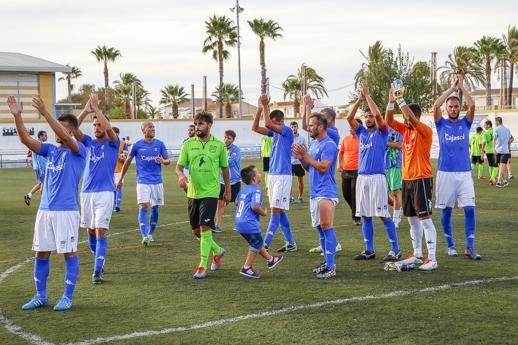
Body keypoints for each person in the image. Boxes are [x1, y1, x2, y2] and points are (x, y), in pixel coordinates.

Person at [8, 96, 86, 311]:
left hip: (66, 211)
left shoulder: (79, 150)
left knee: (69, 253)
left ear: (71, 131)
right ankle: (40, 295)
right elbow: (26, 140)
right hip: (45, 210)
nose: (56, 131)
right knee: (41, 253)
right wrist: (17, 116)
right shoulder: (50, 150)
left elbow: (63, 136)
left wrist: (45, 112)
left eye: (61, 128)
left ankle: (67, 297)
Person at [385, 81, 438, 271]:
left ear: (416, 116)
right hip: (407, 179)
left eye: (408, 117)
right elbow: (389, 122)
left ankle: (432, 258)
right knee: (412, 220)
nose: (405, 121)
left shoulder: (423, 130)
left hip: (421, 179)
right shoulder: (405, 130)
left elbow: (411, 120)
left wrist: (400, 98)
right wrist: (391, 102)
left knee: (425, 219)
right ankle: (417, 254)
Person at [347, 81, 400, 262]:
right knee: (365, 215)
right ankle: (369, 249)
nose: (369, 118)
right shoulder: (361, 131)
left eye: (370, 116)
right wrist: (359, 99)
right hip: (362, 178)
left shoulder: (382, 132)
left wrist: (367, 96)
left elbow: (379, 115)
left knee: (383, 214)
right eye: (366, 116)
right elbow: (349, 118)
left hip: (377, 177)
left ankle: (395, 249)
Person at [432, 75, 481, 260]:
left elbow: (473, 106)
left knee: (470, 208)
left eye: (456, 106)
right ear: (447, 108)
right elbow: (435, 106)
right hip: (445, 173)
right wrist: (452, 90)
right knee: (446, 210)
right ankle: (450, 244)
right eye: (450, 107)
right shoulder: (441, 123)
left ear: (459, 108)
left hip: (464, 173)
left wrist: (462, 88)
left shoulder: (465, 123)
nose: (453, 109)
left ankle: (470, 247)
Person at [176, 112, 228, 279]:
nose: (197, 127)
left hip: (211, 192)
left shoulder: (219, 145)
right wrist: (181, 176)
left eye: (200, 124)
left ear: (209, 126)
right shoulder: (188, 145)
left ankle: (202, 266)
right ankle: (218, 251)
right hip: (193, 192)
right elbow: (179, 166)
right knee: (196, 232)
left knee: (205, 228)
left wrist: (228, 189)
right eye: (196, 124)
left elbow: (225, 169)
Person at [74, 94, 120, 284]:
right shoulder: (88, 143)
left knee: (101, 230)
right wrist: (86, 110)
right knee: (90, 231)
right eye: (94, 125)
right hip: (86, 192)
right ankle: (98, 259)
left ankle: (97, 271)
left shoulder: (113, 143)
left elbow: (109, 128)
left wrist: (98, 109)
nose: (97, 127)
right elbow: (70, 129)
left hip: (105, 192)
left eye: (99, 124)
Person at [293, 113, 339, 279]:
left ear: (321, 127)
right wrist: (301, 158)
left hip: (326, 191)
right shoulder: (313, 144)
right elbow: (309, 168)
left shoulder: (329, 145)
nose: (309, 127)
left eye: (311, 125)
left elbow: (323, 167)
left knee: (327, 226)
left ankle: (331, 267)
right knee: (320, 228)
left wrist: (306, 155)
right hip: (315, 192)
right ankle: (327, 263)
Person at [252, 95, 297, 253]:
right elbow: (256, 128)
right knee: (279, 210)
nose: (270, 127)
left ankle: (265, 244)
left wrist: (265, 105)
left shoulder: (286, 131)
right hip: (272, 175)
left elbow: (267, 123)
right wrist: (259, 109)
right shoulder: (275, 133)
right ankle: (291, 243)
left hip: (283, 175)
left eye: (273, 124)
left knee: (275, 210)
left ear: (279, 122)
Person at [117, 121, 170, 245]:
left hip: (157, 181)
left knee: (155, 208)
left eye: (153, 127)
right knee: (143, 206)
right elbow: (128, 162)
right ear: (143, 130)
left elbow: (168, 161)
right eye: (150, 127)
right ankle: (144, 235)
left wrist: (163, 160)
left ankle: (150, 234)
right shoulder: (137, 145)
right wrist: (120, 179)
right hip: (142, 181)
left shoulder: (160, 144)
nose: (153, 129)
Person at [234, 165, 283, 278]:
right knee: (256, 243)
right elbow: (255, 206)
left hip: (239, 222)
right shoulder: (256, 190)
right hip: (249, 223)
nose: (260, 174)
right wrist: (264, 212)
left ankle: (271, 260)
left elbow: (236, 202)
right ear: (254, 179)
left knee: (257, 242)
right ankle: (247, 267)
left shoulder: (243, 189)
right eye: (258, 173)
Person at [214, 129, 241, 233]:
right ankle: (217, 225)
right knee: (220, 203)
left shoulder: (236, 150)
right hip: (221, 181)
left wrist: (220, 159)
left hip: (234, 181)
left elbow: (231, 162)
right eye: (225, 137)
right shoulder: (220, 148)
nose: (226, 140)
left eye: (229, 138)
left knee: (237, 203)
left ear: (233, 140)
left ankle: (239, 224)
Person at [338, 119, 362, 226]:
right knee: (345, 194)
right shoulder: (345, 139)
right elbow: (341, 152)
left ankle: (356, 218)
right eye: (350, 126)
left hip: (358, 171)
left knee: (354, 195)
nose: (351, 128)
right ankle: (356, 210)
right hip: (346, 170)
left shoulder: (362, 139)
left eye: (353, 126)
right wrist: (339, 165)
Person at [385, 127, 403, 228]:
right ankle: (398, 208)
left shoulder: (397, 131)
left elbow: (399, 144)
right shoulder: (378, 131)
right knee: (383, 195)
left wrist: (385, 142)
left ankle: (395, 220)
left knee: (396, 192)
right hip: (382, 165)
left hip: (395, 165)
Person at [24, 130, 48, 206]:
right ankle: (44, 201)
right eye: (44, 135)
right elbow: (40, 159)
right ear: (40, 136)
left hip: (38, 167)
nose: (46, 137)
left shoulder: (36, 144)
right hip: (41, 168)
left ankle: (29, 195)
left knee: (40, 183)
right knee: (44, 183)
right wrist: (41, 170)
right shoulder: (40, 145)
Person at [493, 116, 513, 187]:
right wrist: (506, 144)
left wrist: (493, 148)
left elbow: (494, 139)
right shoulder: (508, 129)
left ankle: (499, 181)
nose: (495, 123)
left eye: (495, 122)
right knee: (501, 166)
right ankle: (503, 181)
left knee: (500, 166)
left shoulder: (496, 129)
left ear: (498, 121)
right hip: (505, 150)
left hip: (497, 150)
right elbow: (510, 139)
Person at [112, 127, 129, 212]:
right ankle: (113, 204)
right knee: (111, 189)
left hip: (119, 170)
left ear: (117, 133)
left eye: (114, 132)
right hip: (109, 171)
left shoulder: (122, 144)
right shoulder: (108, 143)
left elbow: (125, 157)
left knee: (118, 187)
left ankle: (117, 206)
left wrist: (118, 154)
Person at [290, 121, 306, 203]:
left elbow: (305, 149)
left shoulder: (302, 138)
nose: (294, 128)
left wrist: (302, 156)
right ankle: (290, 197)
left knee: (300, 180)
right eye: (292, 127)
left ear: (297, 127)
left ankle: (300, 197)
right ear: (290, 128)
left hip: (299, 163)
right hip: (290, 163)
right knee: (289, 181)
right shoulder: (289, 138)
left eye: (295, 126)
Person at [482, 120, 498, 185]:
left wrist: (482, 152)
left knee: (490, 165)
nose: (484, 126)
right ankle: (492, 178)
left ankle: (492, 179)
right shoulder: (495, 131)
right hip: (495, 151)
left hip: (488, 151)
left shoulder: (485, 133)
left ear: (488, 125)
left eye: (485, 125)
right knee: (496, 166)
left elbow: (484, 142)